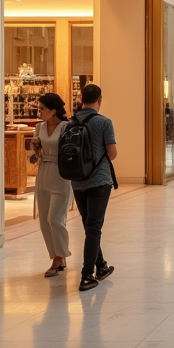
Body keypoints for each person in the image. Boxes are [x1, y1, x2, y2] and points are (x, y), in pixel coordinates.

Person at [71, 83, 117, 292]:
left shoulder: (71, 122)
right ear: (100, 99)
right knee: (94, 227)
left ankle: (101, 266)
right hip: (99, 181)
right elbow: (112, 153)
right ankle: (87, 275)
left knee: (88, 225)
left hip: (77, 181)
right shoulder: (104, 122)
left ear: (82, 98)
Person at [31, 93, 72, 277]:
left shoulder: (66, 127)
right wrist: (35, 150)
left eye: (42, 109)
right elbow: (36, 155)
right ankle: (56, 255)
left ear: (53, 110)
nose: (39, 111)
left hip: (61, 174)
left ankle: (59, 257)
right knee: (44, 221)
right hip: (43, 172)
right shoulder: (39, 127)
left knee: (55, 219)